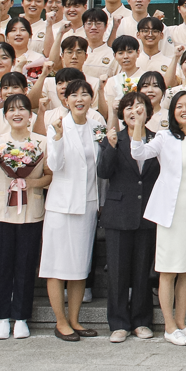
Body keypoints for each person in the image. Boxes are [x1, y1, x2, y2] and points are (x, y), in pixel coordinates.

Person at [134, 91, 186, 346]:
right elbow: (139, 153)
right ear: (173, 111)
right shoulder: (164, 137)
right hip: (171, 213)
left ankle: (181, 322)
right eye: (179, 106)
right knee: (168, 270)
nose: (185, 110)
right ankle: (169, 326)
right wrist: (138, 125)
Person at [0, 94, 51, 340]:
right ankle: (2, 317)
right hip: (0, 212)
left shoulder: (41, 142)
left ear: (30, 115)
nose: (17, 113)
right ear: (5, 115)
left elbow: (50, 175)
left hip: (31, 212)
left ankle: (21, 317)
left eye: (22, 109)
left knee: (25, 266)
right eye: (11, 109)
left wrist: (30, 182)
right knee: (2, 266)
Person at [41, 80, 104, 341]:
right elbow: (54, 165)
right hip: (61, 207)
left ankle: (75, 320)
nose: (80, 99)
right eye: (74, 95)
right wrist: (57, 138)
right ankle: (60, 321)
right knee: (57, 266)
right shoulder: (57, 126)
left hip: (87, 205)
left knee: (80, 266)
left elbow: (100, 168)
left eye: (85, 94)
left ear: (91, 99)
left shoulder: (96, 127)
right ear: (65, 100)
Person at [97, 92, 160, 342]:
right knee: (117, 272)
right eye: (128, 107)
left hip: (148, 213)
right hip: (119, 214)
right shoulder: (115, 139)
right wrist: (111, 147)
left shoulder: (157, 139)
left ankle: (141, 321)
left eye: (139, 106)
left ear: (148, 112)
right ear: (122, 114)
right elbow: (103, 172)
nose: (134, 111)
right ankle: (119, 323)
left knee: (143, 271)